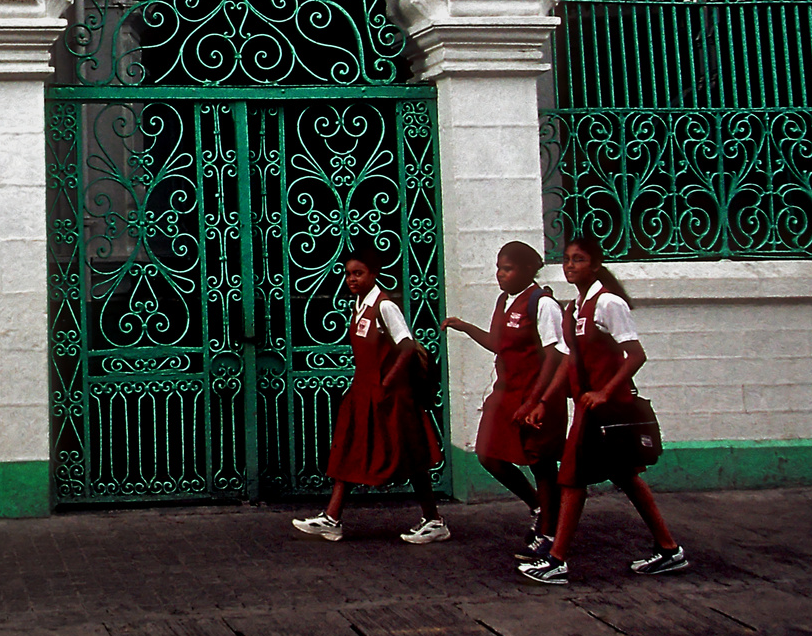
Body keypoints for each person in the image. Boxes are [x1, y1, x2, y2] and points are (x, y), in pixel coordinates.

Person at [518, 235, 687, 585]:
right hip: (587, 407)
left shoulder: (608, 303)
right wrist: (543, 402)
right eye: (566, 259)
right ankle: (669, 550)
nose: (570, 266)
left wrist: (605, 392)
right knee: (626, 477)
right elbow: (569, 362)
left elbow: (636, 354)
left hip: (605, 410)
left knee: (572, 480)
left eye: (578, 260)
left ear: (595, 265)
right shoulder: (573, 308)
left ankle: (556, 559)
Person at [293, 246, 448, 545]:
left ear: (374, 274)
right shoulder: (359, 305)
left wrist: (387, 383)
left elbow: (406, 347)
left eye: (358, 273)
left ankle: (433, 520)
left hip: (389, 396)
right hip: (364, 391)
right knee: (348, 449)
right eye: (348, 274)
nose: (351, 279)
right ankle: (332, 517)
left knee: (412, 456)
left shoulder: (385, 306)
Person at [442, 241, 566, 561]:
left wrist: (534, 400)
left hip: (534, 395)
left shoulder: (542, 303)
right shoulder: (505, 301)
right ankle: (538, 506)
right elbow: (498, 343)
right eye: (498, 268)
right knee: (488, 454)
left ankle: (549, 534)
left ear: (527, 270)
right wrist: (464, 326)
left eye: (507, 268)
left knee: (541, 464)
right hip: (506, 392)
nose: (501, 274)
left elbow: (555, 355)